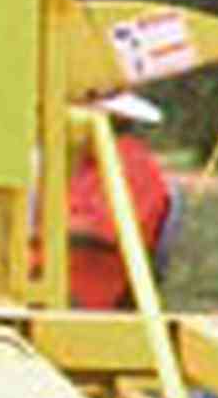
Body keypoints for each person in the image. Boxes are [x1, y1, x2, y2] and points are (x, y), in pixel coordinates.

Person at [66, 92, 175, 309]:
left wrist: (36, 230)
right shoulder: (87, 163)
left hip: (84, 291)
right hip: (51, 278)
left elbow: (104, 229)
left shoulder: (133, 166)